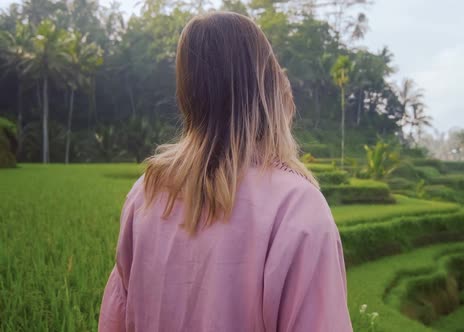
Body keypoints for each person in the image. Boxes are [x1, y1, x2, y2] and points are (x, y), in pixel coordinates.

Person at [98, 12, 352, 332]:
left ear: (188, 93)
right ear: (269, 88)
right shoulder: (296, 206)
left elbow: (115, 321)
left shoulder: (146, 194)